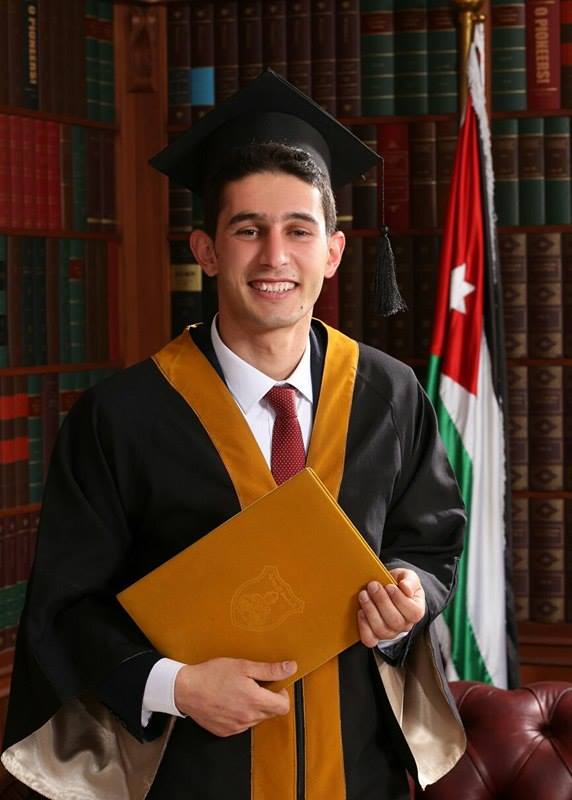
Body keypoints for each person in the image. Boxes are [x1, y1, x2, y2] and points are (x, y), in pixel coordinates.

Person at [1, 70, 466, 800]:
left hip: (361, 771)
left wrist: (409, 597)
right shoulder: (122, 416)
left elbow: (430, 542)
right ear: (207, 250)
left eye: (298, 231)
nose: (274, 256)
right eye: (248, 230)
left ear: (333, 252)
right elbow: (68, 606)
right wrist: (175, 686)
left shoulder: (390, 395)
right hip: (194, 775)